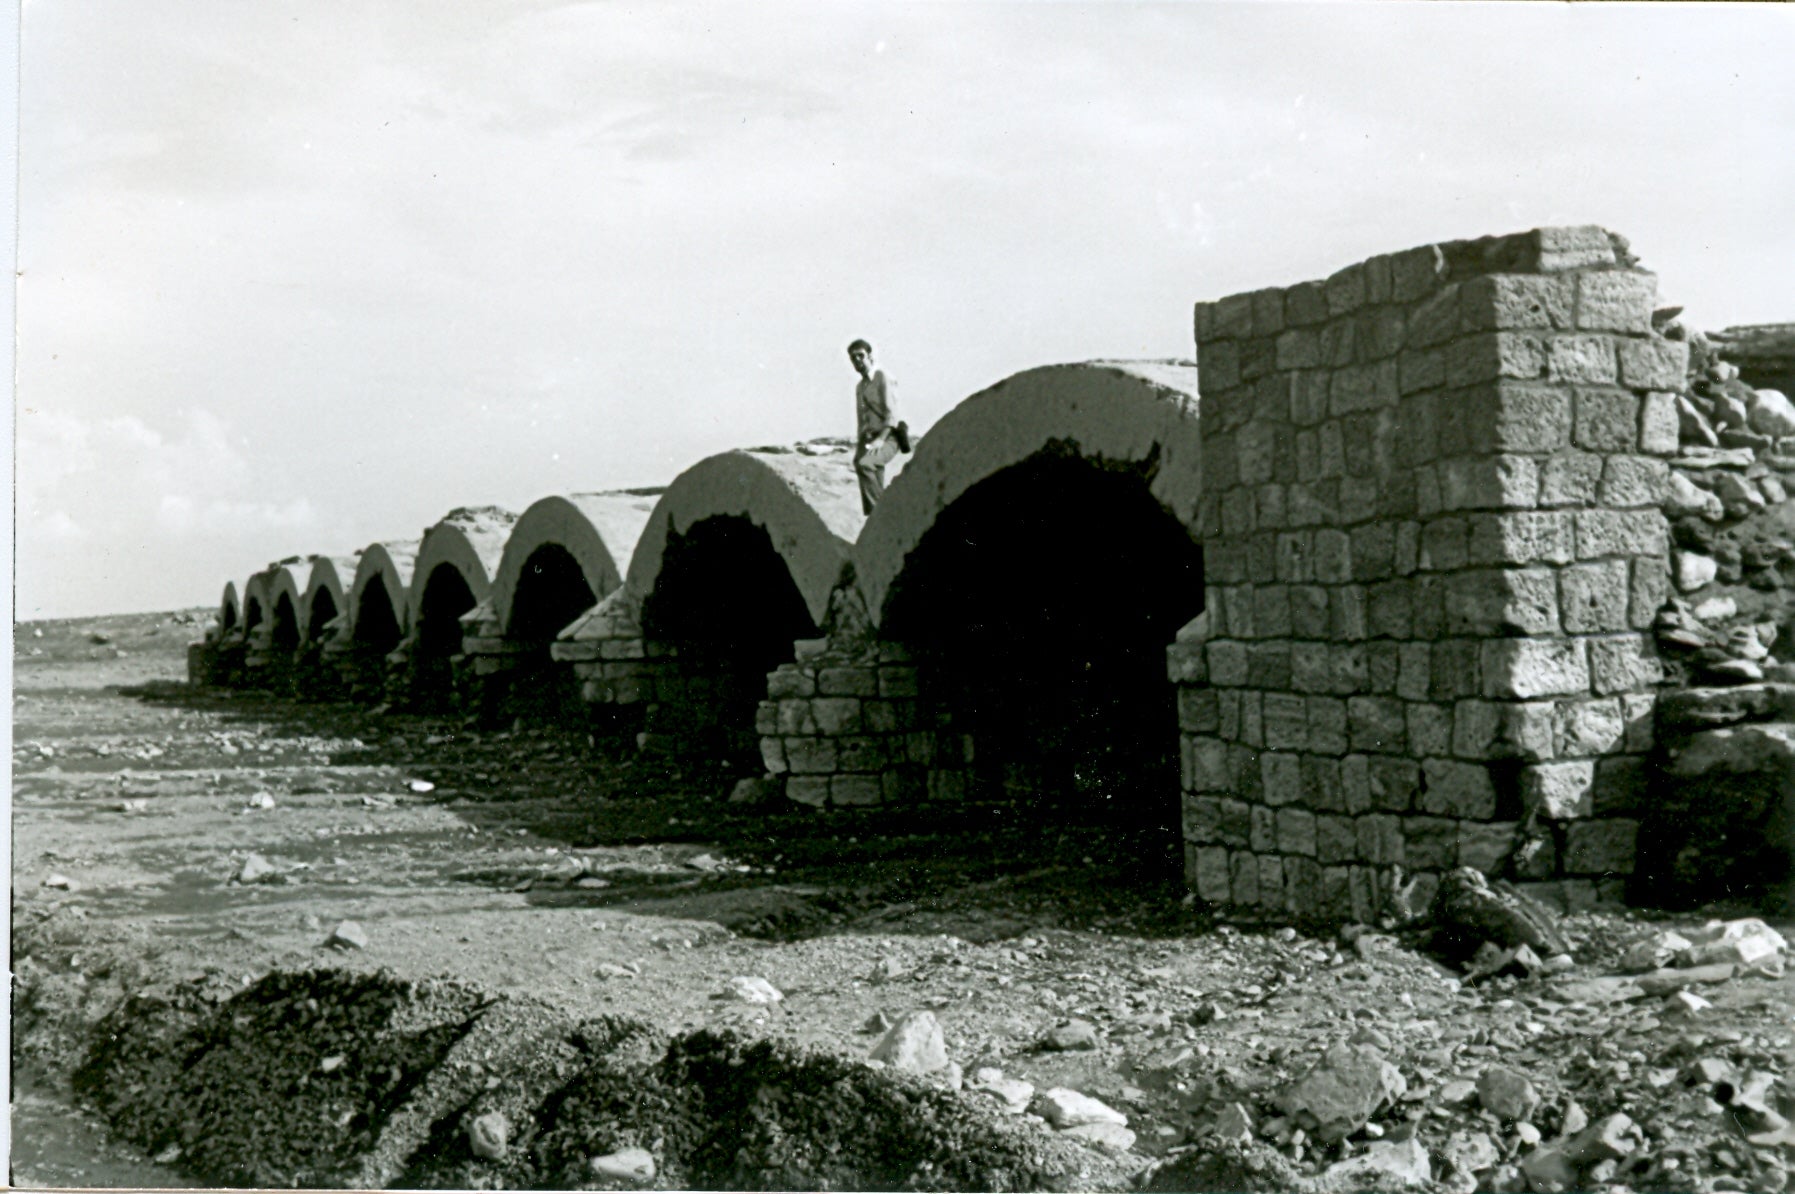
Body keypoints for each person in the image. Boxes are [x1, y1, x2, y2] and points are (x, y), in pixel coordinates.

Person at [848, 338, 907, 514]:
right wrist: (861, 443)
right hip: (869, 438)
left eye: (861, 355)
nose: (858, 360)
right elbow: (862, 419)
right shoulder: (860, 386)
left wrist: (881, 440)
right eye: (853, 358)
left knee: (866, 464)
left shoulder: (883, 377)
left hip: (888, 436)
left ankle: (879, 516)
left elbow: (892, 414)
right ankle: (879, 518)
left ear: (871, 356)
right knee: (867, 467)